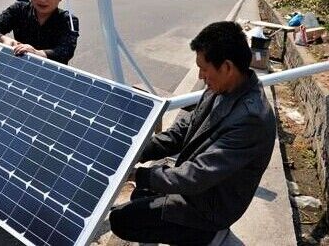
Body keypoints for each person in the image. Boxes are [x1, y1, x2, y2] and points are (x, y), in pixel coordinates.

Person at [109, 21, 276, 245]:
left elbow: (196, 175)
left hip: (209, 208)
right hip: (198, 190)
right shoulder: (219, 89)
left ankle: (208, 236)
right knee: (141, 195)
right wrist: (136, 151)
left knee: (122, 220)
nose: (200, 76)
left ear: (227, 67)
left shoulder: (251, 119)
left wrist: (136, 175)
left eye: (204, 69)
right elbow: (182, 130)